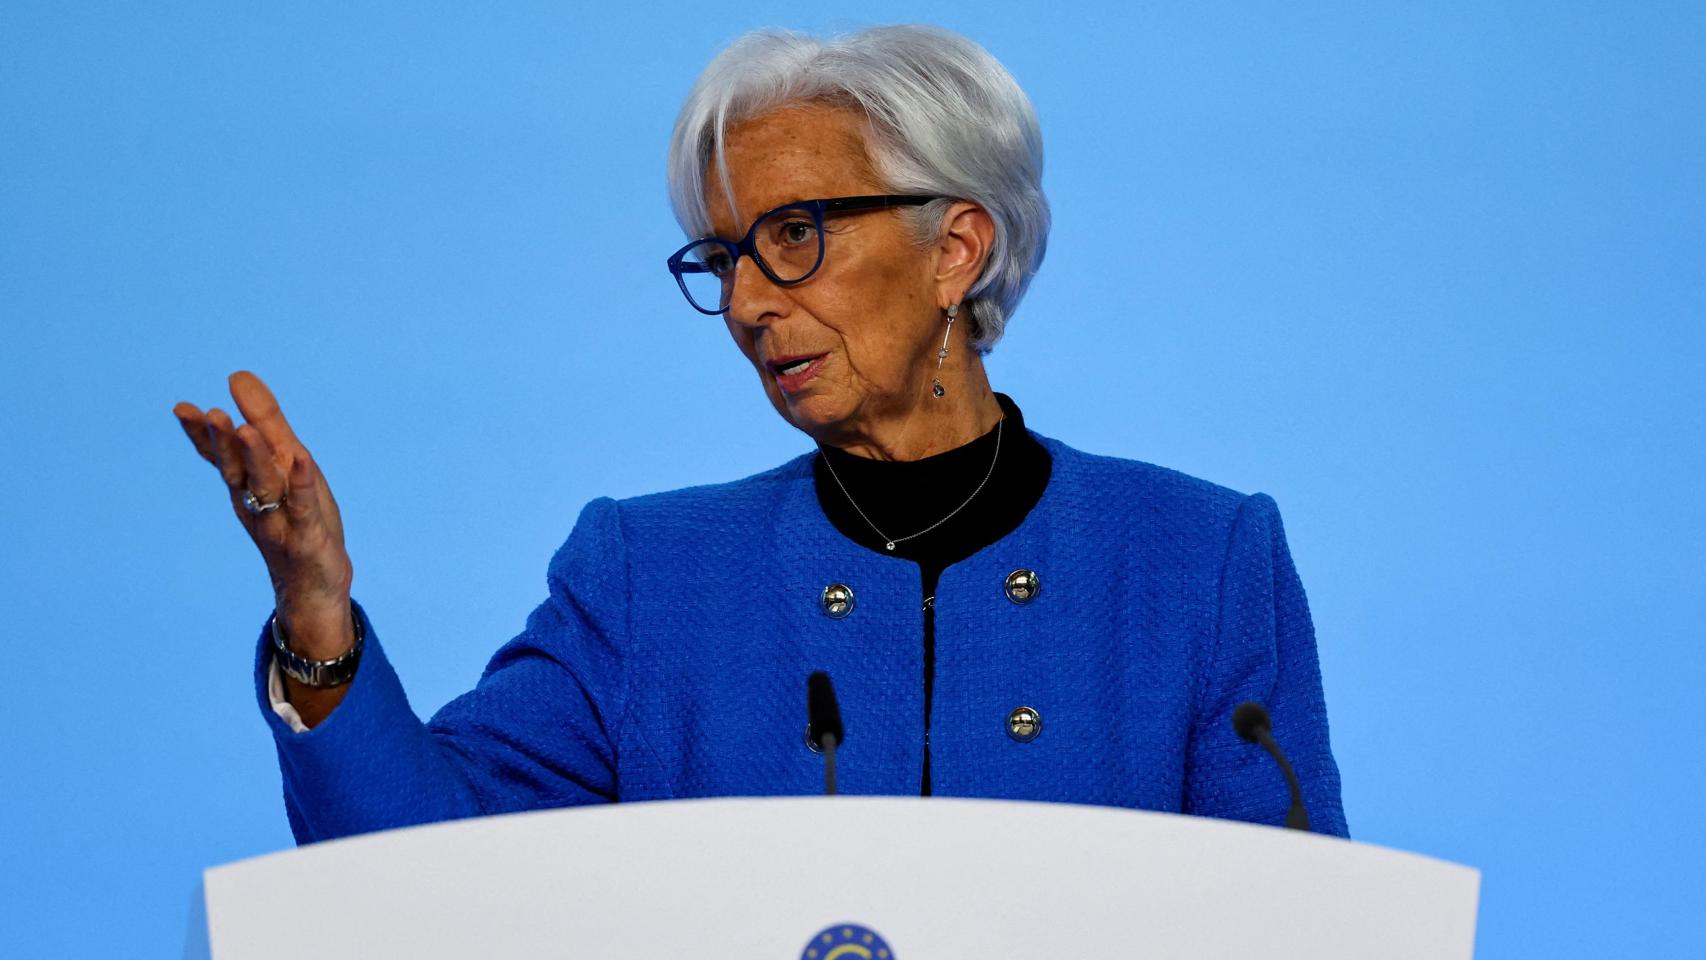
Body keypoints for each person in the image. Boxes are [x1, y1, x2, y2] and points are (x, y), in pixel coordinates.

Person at [173, 24, 1346, 845]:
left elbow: (1297, 920)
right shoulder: (647, 578)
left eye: (793, 236)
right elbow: (419, 865)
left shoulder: (1199, 561)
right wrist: (316, 615)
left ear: (954, 249)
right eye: (723, 256)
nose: (744, 303)